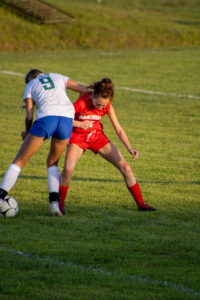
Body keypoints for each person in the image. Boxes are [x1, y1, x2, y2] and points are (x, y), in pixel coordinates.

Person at [59, 78, 156, 215]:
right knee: (68, 169)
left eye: (103, 105)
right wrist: (79, 124)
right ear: (93, 95)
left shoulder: (107, 105)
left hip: (97, 137)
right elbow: (63, 119)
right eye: (98, 104)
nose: (100, 108)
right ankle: (59, 204)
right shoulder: (81, 103)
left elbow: (118, 129)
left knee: (125, 167)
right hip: (78, 138)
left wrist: (129, 147)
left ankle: (141, 204)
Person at [0, 69, 89, 216]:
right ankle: (54, 204)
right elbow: (85, 90)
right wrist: (72, 111)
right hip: (66, 119)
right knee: (53, 162)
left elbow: (29, 116)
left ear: (29, 79)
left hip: (46, 118)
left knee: (19, 161)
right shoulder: (58, 76)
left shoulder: (30, 85)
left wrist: (28, 133)